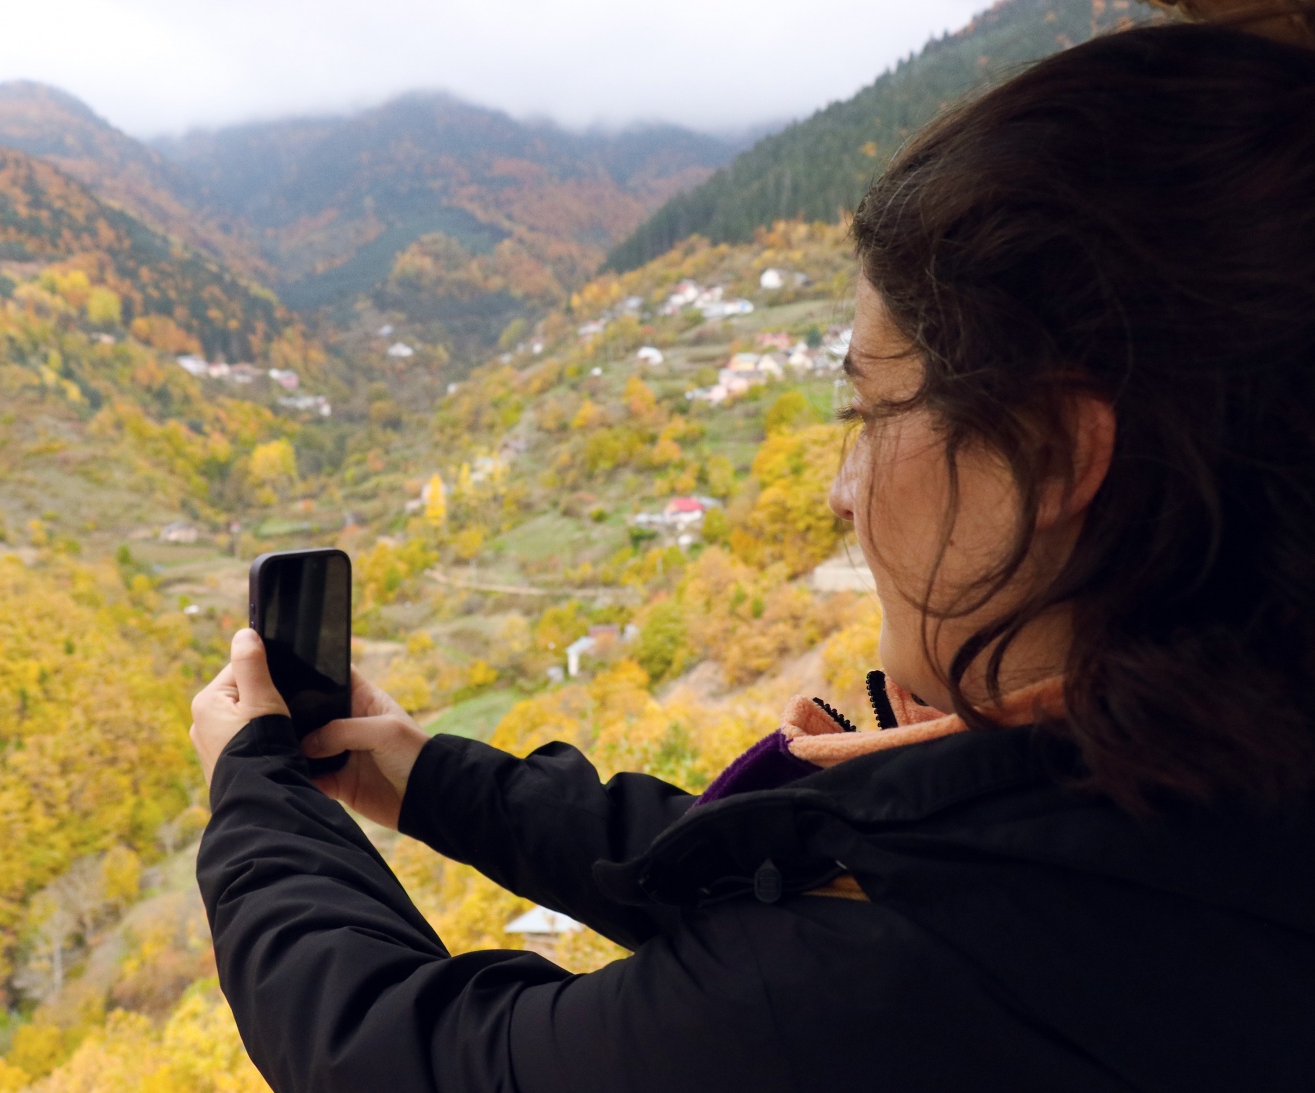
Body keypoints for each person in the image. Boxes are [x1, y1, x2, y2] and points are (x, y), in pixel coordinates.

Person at [191, 23, 1315, 1093]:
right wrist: (426, 778)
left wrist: (251, 794)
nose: (839, 491)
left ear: (1052, 454)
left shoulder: (900, 981)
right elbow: (767, 868)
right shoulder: (1180, 809)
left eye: (870, 409)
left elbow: (428, 1059)